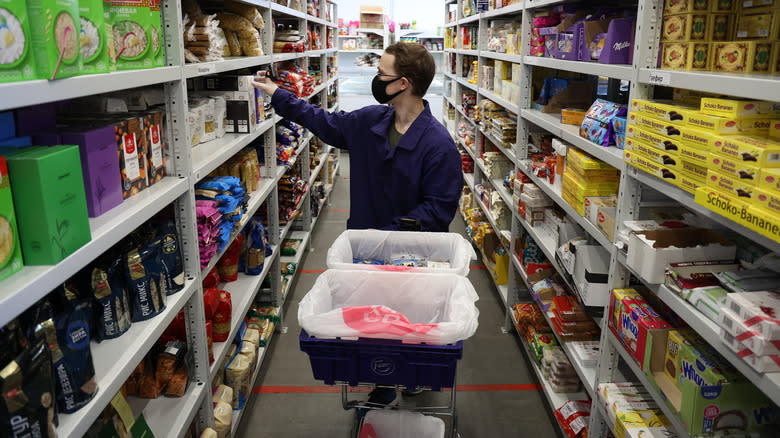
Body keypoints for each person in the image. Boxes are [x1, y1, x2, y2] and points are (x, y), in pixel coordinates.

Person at [252, 42, 463, 232]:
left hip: (411, 257)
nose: (377, 79)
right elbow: (323, 120)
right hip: (361, 245)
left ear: (403, 84)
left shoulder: (439, 145)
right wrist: (279, 94)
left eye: (381, 74)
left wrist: (386, 237)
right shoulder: (370, 121)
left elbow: (437, 211)